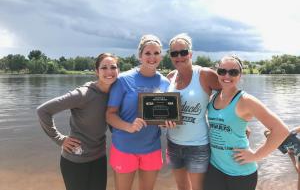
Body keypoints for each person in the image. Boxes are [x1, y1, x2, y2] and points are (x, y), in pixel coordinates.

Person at [204, 55, 290, 190]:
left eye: (233, 72)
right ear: (217, 72)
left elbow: (281, 130)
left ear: (240, 75)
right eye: (222, 71)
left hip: (240, 172)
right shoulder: (212, 98)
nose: (227, 75)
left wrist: (256, 155)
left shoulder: (246, 100)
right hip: (215, 167)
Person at [37, 53, 119, 190]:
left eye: (113, 67)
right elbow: (43, 111)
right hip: (75, 160)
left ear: (118, 71)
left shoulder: (115, 93)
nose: (109, 71)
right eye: (104, 67)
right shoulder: (83, 94)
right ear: (97, 71)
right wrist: (60, 139)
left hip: (99, 157)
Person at [106, 34, 170, 190]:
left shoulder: (165, 82)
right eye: (147, 53)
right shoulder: (123, 79)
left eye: (156, 53)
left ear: (161, 56)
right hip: (124, 147)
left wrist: (167, 122)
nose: (152, 57)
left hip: (152, 147)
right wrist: (129, 126)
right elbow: (109, 115)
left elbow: (163, 114)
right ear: (140, 55)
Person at [166, 33, 221, 190]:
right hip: (173, 143)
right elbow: (164, 109)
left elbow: (229, 95)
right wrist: (163, 122)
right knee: (181, 187)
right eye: (174, 53)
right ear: (170, 56)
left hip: (198, 145)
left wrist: (234, 123)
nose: (179, 56)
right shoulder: (170, 77)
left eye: (183, 52)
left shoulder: (205, 75)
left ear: (190, 53)